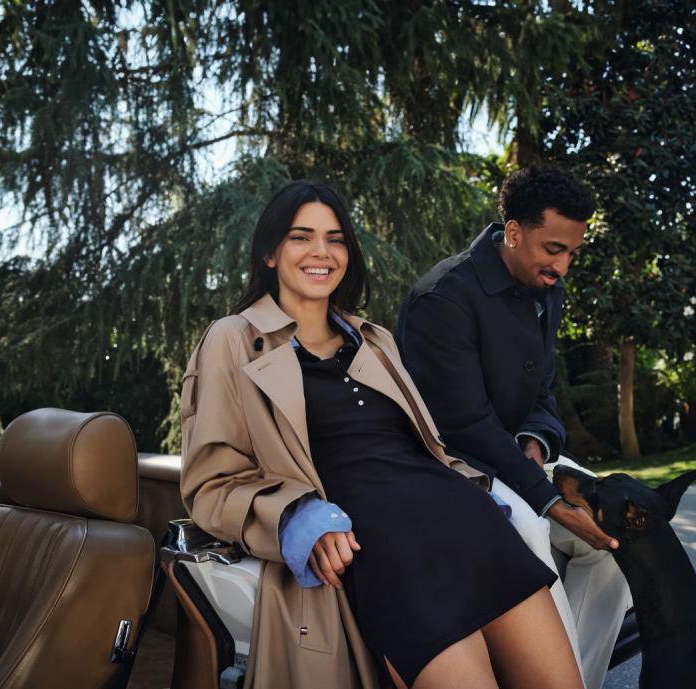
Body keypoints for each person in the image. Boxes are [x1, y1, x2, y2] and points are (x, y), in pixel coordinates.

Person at [179, 180, 583, 689]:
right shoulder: (232, 340)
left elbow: (428, 444)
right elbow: (210, 482)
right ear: (269, 252)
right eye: (302, 237)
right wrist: (296, 515)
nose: (322, 252)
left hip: (464, 521)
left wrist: (475, 488)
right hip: (384, 549)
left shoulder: (375, 339)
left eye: (336, 238)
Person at [394, 165, 633, 689]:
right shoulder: (443, 298)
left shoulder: (545, 289)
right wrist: (547, 500)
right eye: (553, 249)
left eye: (572, 253)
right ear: (514, 231)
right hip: (451, 464)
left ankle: (579, 679)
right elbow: (462, 426)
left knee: (613, 529)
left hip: (514, 456)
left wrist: (536, 440)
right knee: (528, 528)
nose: (563, 267)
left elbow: (542, 391)